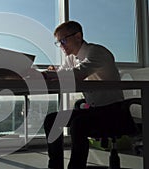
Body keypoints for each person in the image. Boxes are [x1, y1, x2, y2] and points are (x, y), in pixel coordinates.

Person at [43, 21, 124, 169]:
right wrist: (49, 74)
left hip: (113, 110)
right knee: (51, 119)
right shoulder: (71, 59)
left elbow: (78, 74)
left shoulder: (97, 52)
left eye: (63, 40)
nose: (61, 45)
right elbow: (61, 74)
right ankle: (55, 166)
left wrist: (49, 74)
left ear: (78, 36)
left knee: (78, 124)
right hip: (93, 110)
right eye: (58, 42)